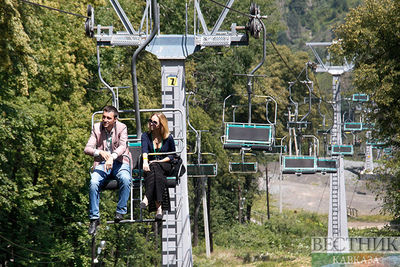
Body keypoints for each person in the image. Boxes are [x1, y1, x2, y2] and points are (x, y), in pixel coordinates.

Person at [84, 106, 132, 234]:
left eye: (108, 118)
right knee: (93, 182)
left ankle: (120, 211)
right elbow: (87, 148)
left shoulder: (122, 128)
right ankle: (94, 218)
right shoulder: (96, 128)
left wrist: (112, 156)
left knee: (126, 179)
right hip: (102, 163)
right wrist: (99, 152)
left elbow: (123, 146)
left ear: (115, 119)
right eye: (104, 117)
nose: (105, 120)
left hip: (120, 162)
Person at [140, 112, 176, 220]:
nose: (151, 124)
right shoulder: (145, 136)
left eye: (154, 122)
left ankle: (147, 197)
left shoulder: (168, 138)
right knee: (156, 173)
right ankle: (159, 208)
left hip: (165, 164)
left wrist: (158, 161)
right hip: (151, 166)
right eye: (150, 121)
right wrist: (145, 162)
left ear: (161, 124)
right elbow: (145, 150)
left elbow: (172, 155)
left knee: (155, 166)